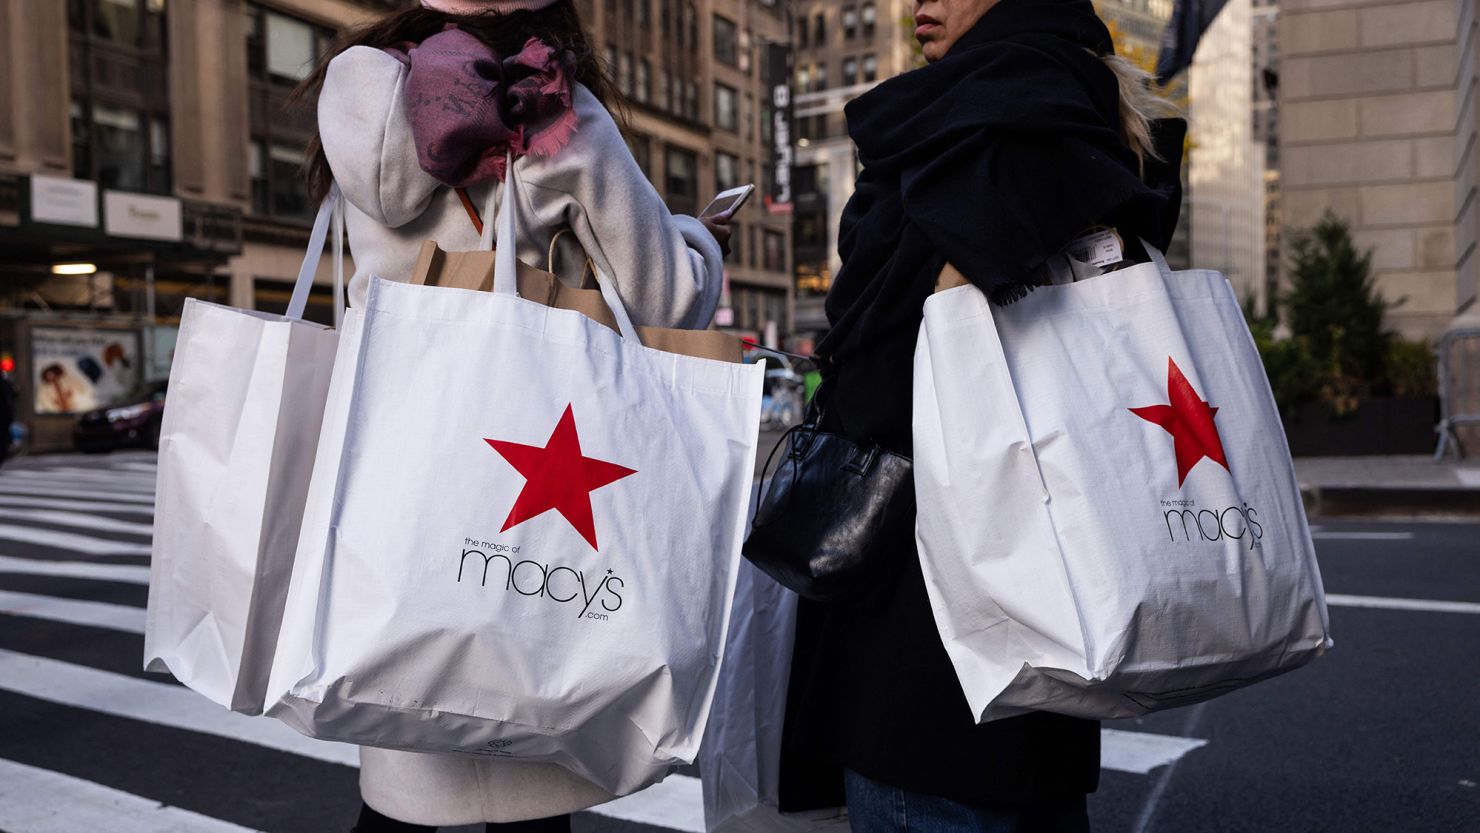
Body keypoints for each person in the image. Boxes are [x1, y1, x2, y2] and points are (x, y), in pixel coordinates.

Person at [299, 1, 732, 830]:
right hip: (537, 490)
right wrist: (697, 239)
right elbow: (665, 298)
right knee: (532, 786)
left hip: (401, 481)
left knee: (406, 799)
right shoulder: (557, 106)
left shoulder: (357, 85)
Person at [775, 1, 1185, 832]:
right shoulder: (1082, 110)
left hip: (927, 636)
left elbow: (889, 388)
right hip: (1051, 617)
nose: (921, 1)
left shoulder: (975, 126)